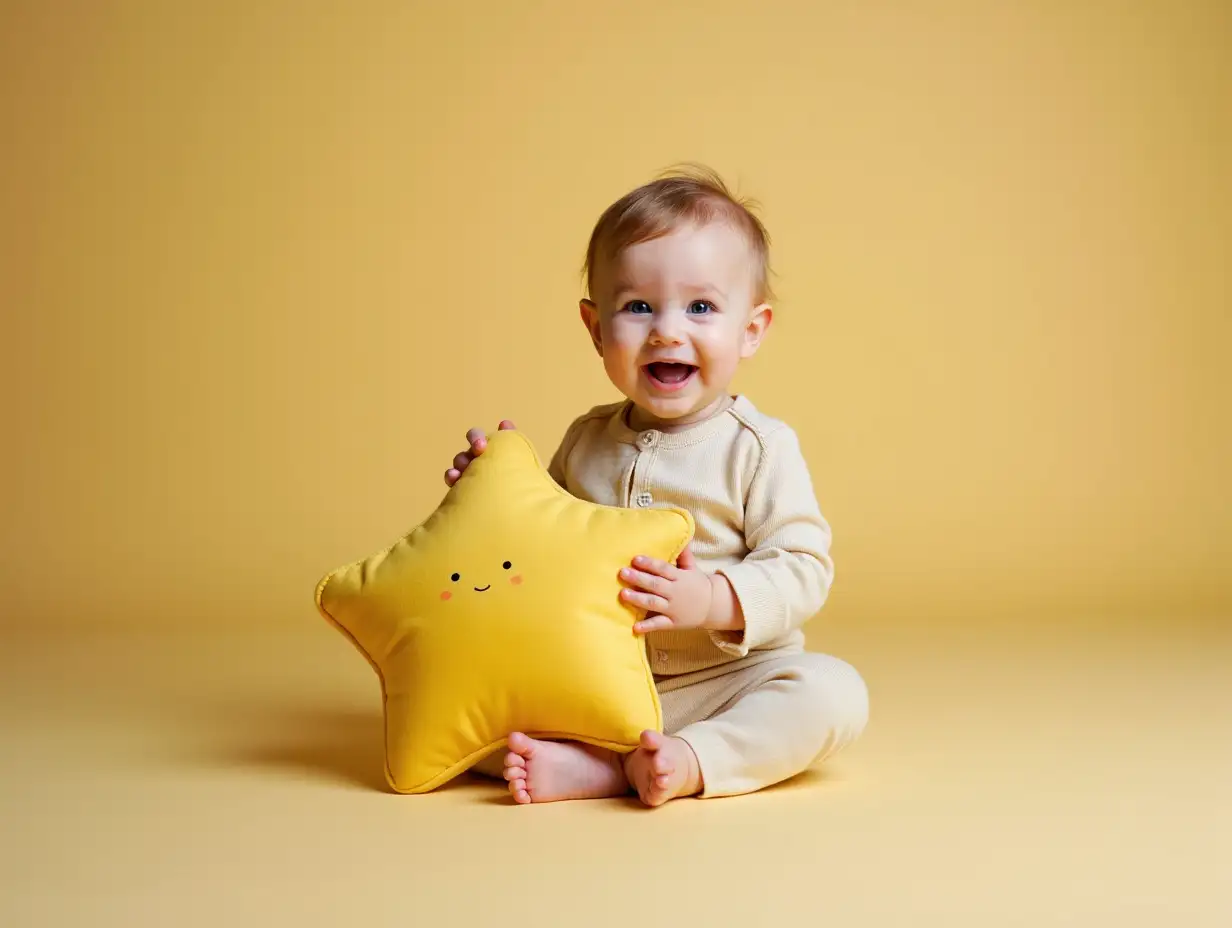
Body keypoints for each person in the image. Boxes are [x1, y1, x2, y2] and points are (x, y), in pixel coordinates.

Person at [449, 165, 869, 806]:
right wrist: (485, 495)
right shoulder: (585, 440)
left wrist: (713, 598)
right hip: (592, 678)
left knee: (833, 694)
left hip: (728, 681)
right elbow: (537, 549)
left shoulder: (758, 448)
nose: (667, 330)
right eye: (638, 306)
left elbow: (804, 566)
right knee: (464, 704)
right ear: (596, 329)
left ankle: (695, 758)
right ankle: (602, 765)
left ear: (750, 329)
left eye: (701, 307)